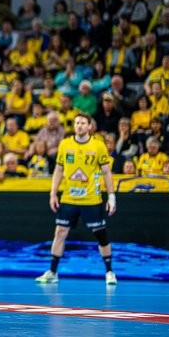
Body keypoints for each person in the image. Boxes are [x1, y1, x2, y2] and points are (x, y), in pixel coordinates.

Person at [36, 113, 117, 285]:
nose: (79, 126)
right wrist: (53, 193)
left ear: (89, 127)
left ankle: (109, 272)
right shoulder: (65, 144)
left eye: (83, 123)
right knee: (60, 232)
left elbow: (106, 172)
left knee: (101, 235)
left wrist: (111, 196)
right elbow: (58, 170)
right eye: (77, 123)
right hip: (69, 198)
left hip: (91, 199)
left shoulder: (98, 145)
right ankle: (52, 271)